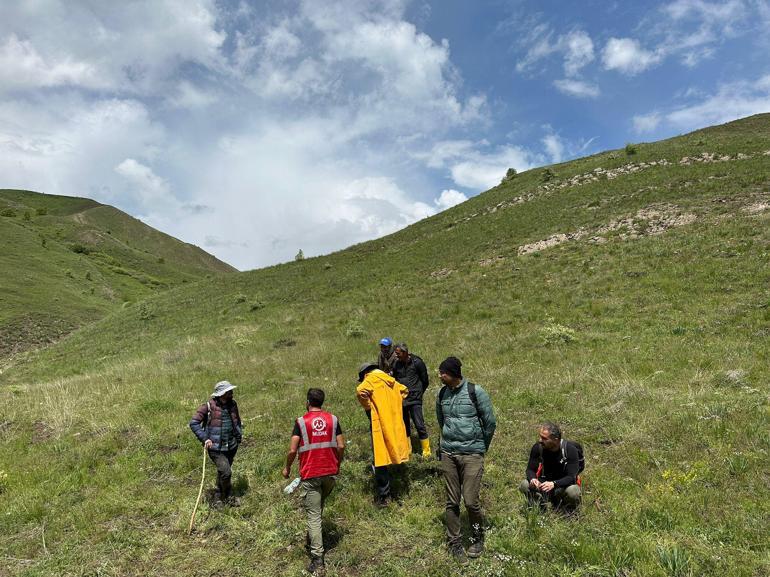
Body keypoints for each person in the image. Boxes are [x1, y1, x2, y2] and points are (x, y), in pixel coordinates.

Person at [435, 357, 496, 564]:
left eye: (442, 372)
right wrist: (445, 445)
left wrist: (480, 447)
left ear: (452, 373)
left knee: (470, 501)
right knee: (452, 501)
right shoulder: (441, 394)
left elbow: (490, 423)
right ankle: (455, 543)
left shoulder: (475, 391)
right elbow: (441, 421)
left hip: (472, 454)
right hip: (449, 454)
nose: (439, 375)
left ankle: (478, 538)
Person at [283, 388, 345, 577]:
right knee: (318, 508)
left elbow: (293, 450)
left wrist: (287, 468)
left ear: (308, 401)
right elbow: (341, 445)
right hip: (330, 473)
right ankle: (312, 536)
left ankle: (317, 560)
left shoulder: (301, 422)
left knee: (313, 515)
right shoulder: (333, 420)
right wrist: (337, 463)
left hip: (311, 474)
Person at [356, 361, 410, 507]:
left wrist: (369, 407)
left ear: (365, 374)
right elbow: (405, 390)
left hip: (380, 424)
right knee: (392, 452)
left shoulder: (370, 380)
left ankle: (384, 496)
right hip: (395, 423)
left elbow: (360, 391)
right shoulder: (391, 380)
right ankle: (400, 489)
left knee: (380, 459)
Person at [189, 380, 243, 508]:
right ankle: (225, 496)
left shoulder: (233, 404)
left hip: (231, 445)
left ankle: (220, 496)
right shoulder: (207, 406)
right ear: (222, 393)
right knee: (226, 472)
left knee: (222, 472)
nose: (232, 393)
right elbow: (194, 423)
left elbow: (237, 421)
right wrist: (205, 439)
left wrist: (239, 434)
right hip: (216, 448)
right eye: (229, 391)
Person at [519, 422, 582, 512]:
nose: (540, 440)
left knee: (573, 491)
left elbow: (571, 477)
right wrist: (533, 479)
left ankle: (568, 511)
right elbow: (530, 469)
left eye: (544, 438)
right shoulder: (538, 447)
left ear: (556, 440)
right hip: (543, 486)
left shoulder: (570, 450)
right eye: (540, 436)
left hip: (562, 487)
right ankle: (539, 507)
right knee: (525, 484)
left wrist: (554, 484)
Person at [391, 343, 431, 457]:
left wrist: (418, 393)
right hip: (402, 400)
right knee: (404, 426)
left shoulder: (417, 362)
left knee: (419, 425)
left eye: (398, 353)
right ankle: (407, 451)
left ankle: (426, 452)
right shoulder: (396, 364)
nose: (396, 356)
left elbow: (425, 380)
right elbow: (395, 380)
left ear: (405, 352)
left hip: (415, 399)